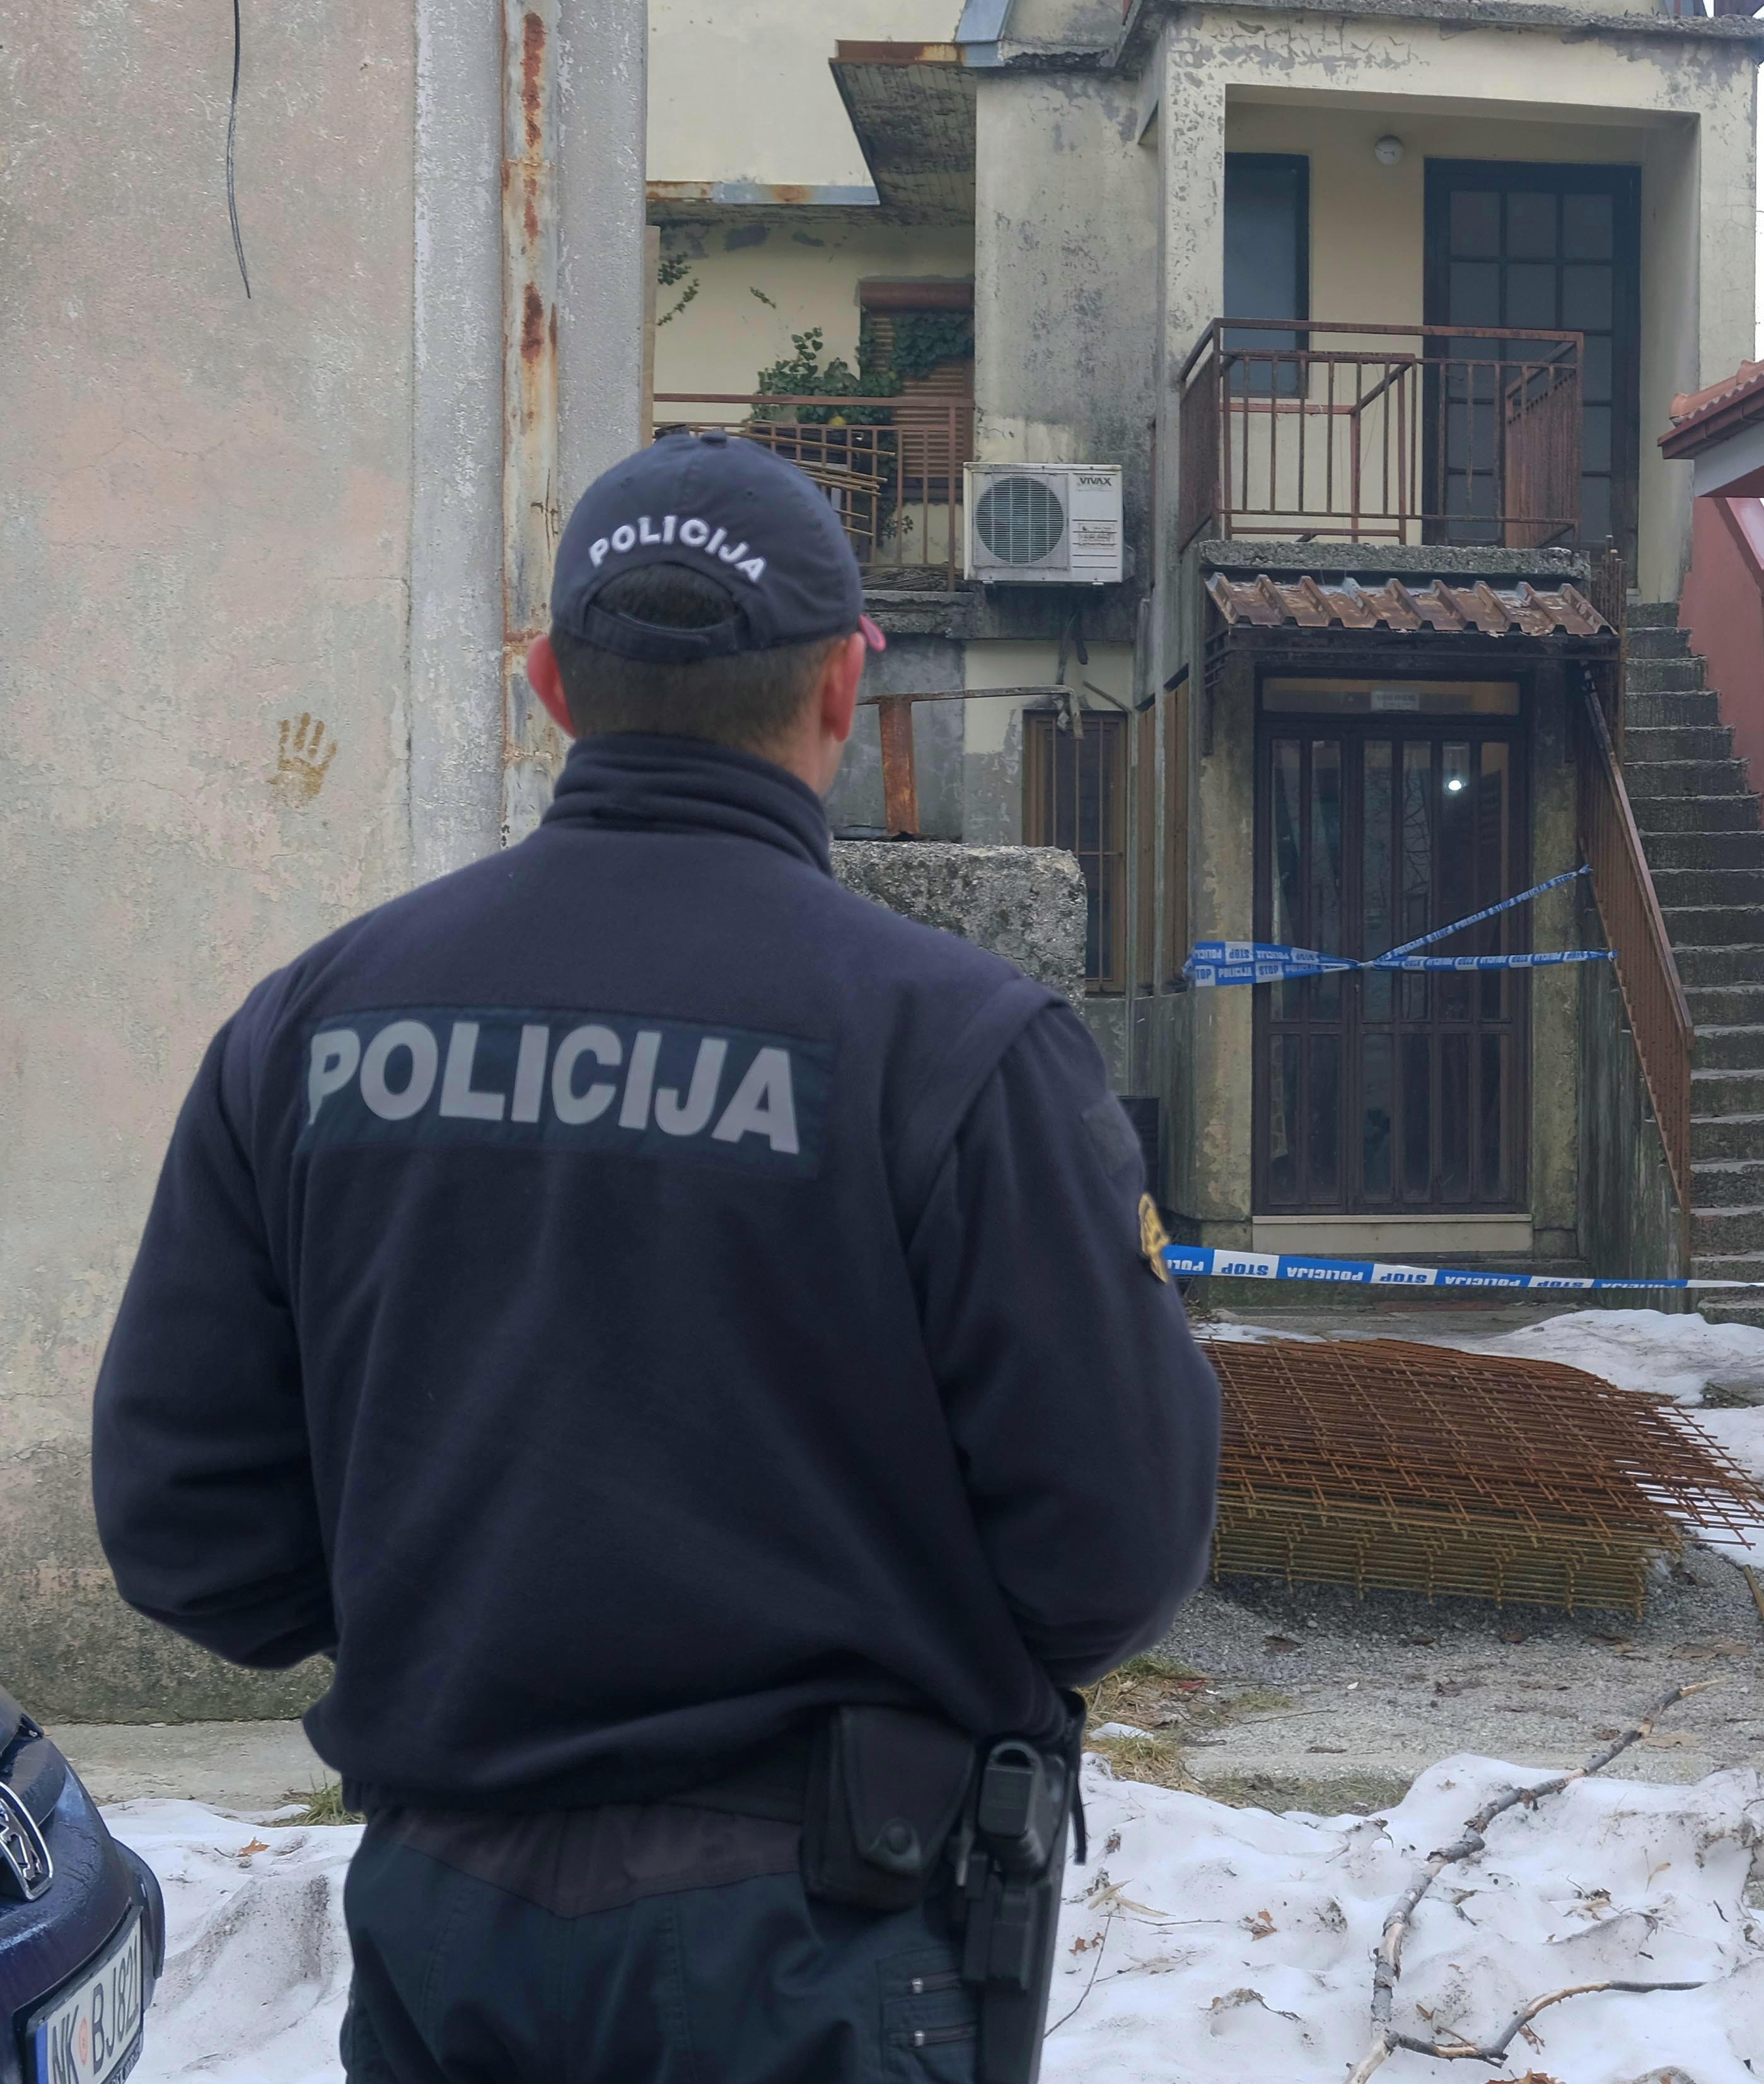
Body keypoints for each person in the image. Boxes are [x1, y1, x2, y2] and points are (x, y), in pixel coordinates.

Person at [92, 431, 1220, 2083]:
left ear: (552, 682)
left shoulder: (316, 1027)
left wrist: (456, 1601)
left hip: (452, 1929)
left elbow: (186, 1522)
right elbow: (1115, 1548)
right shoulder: (959, 1048)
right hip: (830, 1946)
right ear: (846, 688)